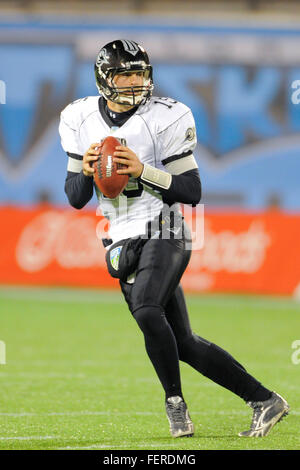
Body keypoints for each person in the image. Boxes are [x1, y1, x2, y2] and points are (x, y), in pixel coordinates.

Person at [59, 39, 289, 438]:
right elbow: (76, 198)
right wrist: (87, 170)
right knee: (182, 342)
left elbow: (192, 190)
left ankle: (175, 404)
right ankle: (265, 400)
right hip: (118, 236)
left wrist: (141, 171)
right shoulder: (79, 118)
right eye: (124, 74)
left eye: (140, 73)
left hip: (165, 226)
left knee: (148, 310)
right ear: (104, 79)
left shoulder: (165, 116)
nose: (134, 82)